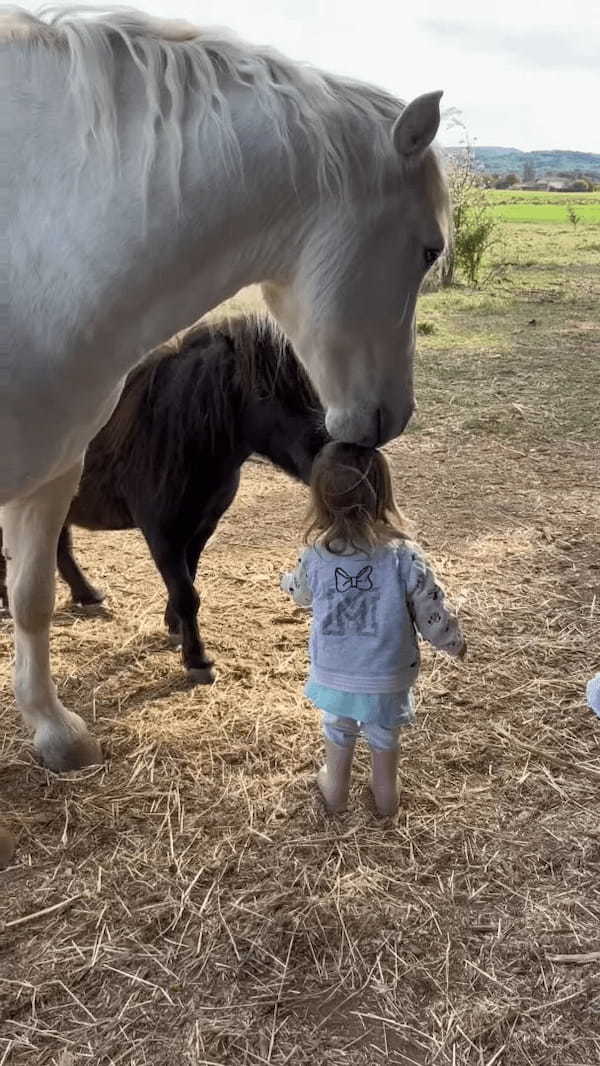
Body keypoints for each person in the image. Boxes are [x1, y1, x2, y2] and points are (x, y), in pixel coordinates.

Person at [281, 442, 466, 817]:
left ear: (320, 499)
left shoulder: (315, 555)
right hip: (386, 673)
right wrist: (452, 642)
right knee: (384, 735)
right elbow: (430, 608)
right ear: (383, 493)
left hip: (336, 670)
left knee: (338, 727)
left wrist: (285, 582)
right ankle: (386, 799)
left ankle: (335, 790)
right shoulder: (403, 555)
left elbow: (300, 595)